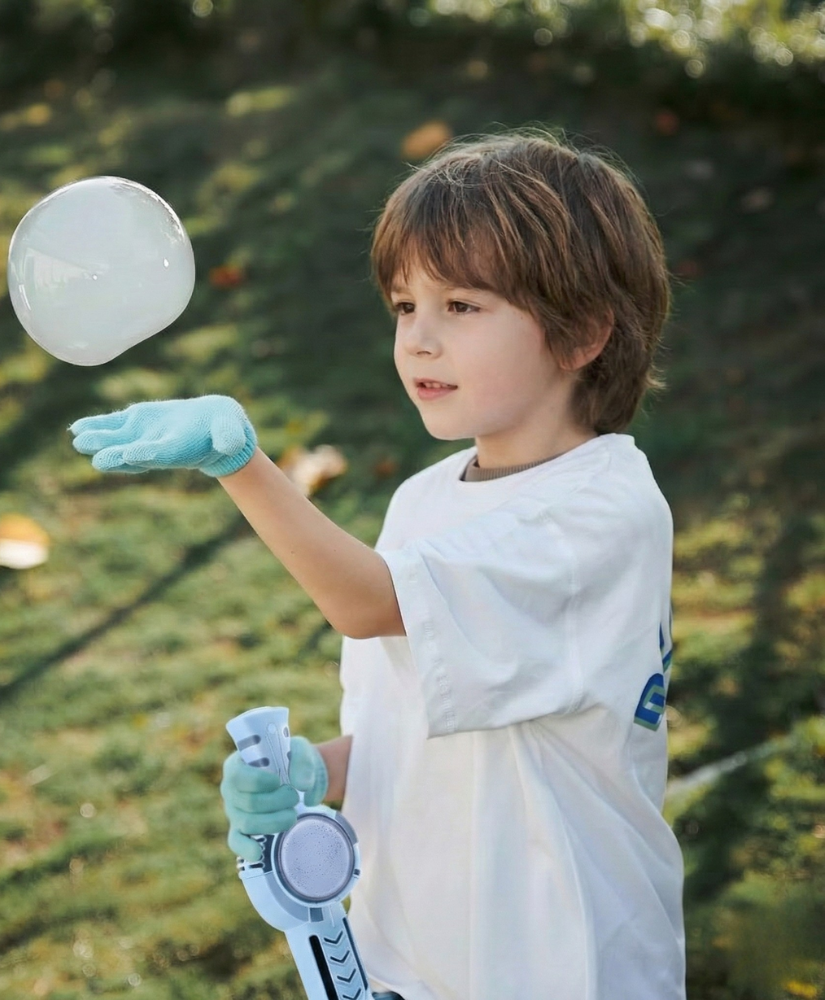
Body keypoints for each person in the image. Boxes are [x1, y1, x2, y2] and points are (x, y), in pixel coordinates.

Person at [70, 128, 686, 1000]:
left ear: (582, 332)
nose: (418, 341)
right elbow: (419, 714)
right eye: (405, 307)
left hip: (560, 962)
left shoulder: (601, 512)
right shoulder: (426, 501)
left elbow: (368, 604)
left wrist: (240, 465)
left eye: (462, 307)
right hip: (419, 954)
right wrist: (322, 769)